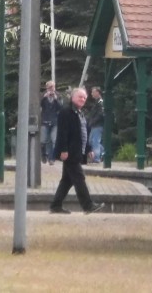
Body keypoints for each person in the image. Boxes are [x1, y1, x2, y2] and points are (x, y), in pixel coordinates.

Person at [48, 87, 103, 215]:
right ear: (72, 97)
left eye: (84, 97)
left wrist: (88, 149)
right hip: (70, 152)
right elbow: (62, 132)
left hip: (78, 151)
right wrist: (63, 149)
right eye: (80, 97)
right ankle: (88, 205)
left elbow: (83, 132)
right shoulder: (65, 112)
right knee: (79, 177)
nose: (83, 99)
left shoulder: (80, 113)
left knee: (67, 180)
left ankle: (55, 205)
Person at [39, 81, 62, 165]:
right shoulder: (43, 95)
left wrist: (56, 99)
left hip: (54, 121)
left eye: (53, 87)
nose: (52, 89)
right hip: (45, 120)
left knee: (54, 140)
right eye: (50, 87)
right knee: (43, 141)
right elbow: (39, 104)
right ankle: (44, 155)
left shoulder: (58, 95)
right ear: (47, 88)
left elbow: (60, 107)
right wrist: (44, 98)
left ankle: (52, 158)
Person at [86, 86, 105, 163]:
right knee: (91, 141)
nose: (92, 94)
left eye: (93, 92)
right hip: (94, 125)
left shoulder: (101, 102)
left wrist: (93, 121)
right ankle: (103, 152)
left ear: (98, 92)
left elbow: (100, 114)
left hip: (98, 125)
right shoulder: (96, 102)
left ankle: (96, 158)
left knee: (95, 141)